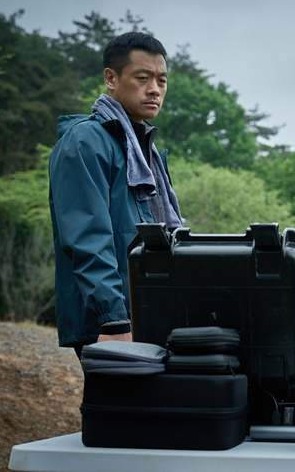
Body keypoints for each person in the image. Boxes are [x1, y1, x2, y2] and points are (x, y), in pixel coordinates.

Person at [49, 32, 184, 359]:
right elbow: (87, 237)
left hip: (150, 310)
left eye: (162, 80)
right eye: (143, 78)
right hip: (112, 321)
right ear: (111, 78)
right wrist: (113, 319)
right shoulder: (85, 142)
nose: (155, 89)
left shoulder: (144, 149)